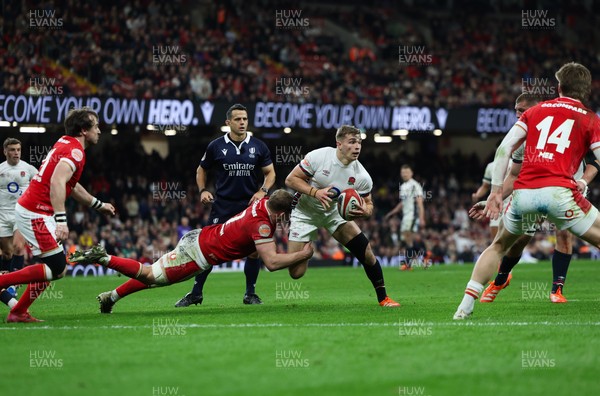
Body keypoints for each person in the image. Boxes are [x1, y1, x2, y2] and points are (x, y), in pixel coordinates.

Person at [454, 62, 600, 320]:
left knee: (498, 245)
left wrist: (495, 192)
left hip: (525, 194)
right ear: (586, 90)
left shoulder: (536, 111)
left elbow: (503, 149)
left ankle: (464, 306)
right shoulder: (590, 118)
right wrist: (585, 181)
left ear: (559, 87)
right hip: (560, 192)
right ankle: (543, 287)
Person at [69, 190, 313, 313]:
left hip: (200, 237)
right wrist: (302, 255)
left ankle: (110, 298)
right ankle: (103, 257)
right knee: (151, 275)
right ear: (280, 213)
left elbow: (279, 203)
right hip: (197, 255)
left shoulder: (263, 201)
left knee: (152, 280)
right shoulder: (261, 224)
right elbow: (271, 262)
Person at [474, 94, 599, 304]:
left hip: (567, 190)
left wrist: (584, 181)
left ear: (537, 109)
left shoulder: (571, 126)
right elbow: (513, 175)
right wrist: (493, 197)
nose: (518, 115)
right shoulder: (525, 140)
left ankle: (556, 290)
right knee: (520, 239)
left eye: (522, 111)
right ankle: (501, 279)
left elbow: (594, 160)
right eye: (516, 110)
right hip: (537, 189)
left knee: (564, 236)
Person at [0, 107, 116, 322]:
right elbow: (57, 182)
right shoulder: (76, 152)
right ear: (83, 130)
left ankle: (18, 312)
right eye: (96, 126)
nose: (99, 131)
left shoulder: (65, 142)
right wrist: (62, 221)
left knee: (54, 267)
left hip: (37, 211)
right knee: (58, 268)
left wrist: (98, 204)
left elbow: (70, 184)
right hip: (35, 212)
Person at [285, 125, 400, 307]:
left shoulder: (361, 176)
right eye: (352, 142)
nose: (357, 147)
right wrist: (316, 192)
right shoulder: (320, 156)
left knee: (367, 253)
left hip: (334, 213)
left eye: (359, 143)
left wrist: (365, 211)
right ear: (339, 144)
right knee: (296, 273)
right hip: (305, 212)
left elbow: (369, 204)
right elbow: (291, 179)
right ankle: (307, 249)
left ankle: (383, 298)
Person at [174, 103, 275, 307]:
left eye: (245, 119)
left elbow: (270, 173)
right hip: (223, 205)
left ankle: (250, 293)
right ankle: (196, 293)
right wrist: (202, 190)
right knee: (207, 249)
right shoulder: (216, 146)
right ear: (228, 122)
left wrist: (262, 191)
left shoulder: (259, 146)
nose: (242, 123)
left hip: (249, 207)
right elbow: (201, 170)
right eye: (238, 119)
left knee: (253, 250)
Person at [0, 138, 37, 309]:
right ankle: (5, 280)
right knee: (7, 253)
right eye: (12, 150)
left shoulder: (28, 169)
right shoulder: (0, 169)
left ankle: (13, 285)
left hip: (20, 214)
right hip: (2, 215)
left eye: (18, 149)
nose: (16, 153)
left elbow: (40, 186)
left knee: (18, 247)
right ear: (5, 151)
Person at [384, 165, 426, 270]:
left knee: (408, 238)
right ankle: (425, 255)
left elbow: (420, 203)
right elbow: (403, 203)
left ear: (411, 173)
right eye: (403, 172)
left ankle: (408, 264)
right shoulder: (403, 187)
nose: (404, 174)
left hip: (412, 215)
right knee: (407, 239)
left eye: (407, 172)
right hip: (406, 216)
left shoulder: (415, 185)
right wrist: (392, 212)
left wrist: (421, 218)